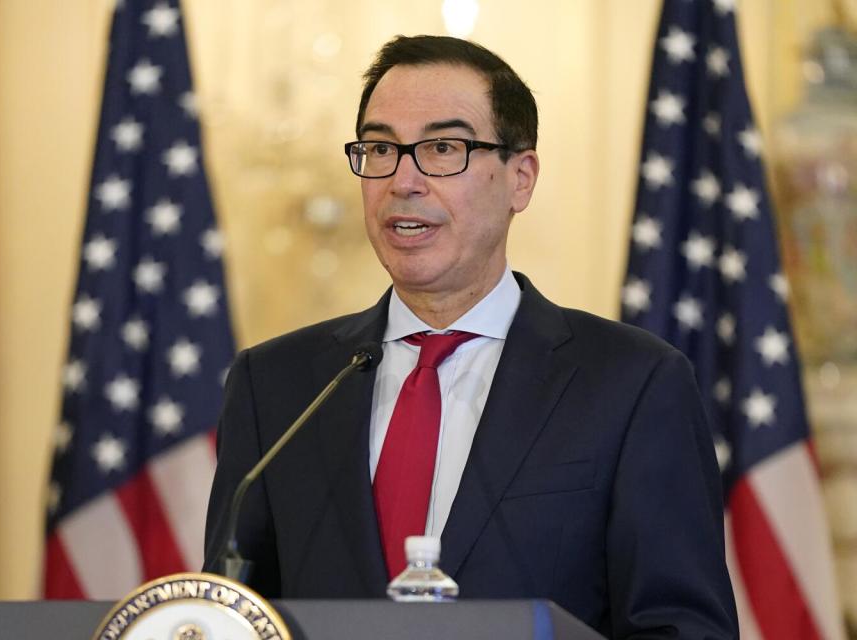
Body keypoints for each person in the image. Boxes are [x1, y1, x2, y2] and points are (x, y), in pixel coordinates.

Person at [204, 35, 738, 638]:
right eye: (381, 149)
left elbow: (681, 628)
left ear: (520, 178)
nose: (403, 180)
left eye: (442, 147)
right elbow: (232, 616)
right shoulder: (276, 385)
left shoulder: (632, 383)